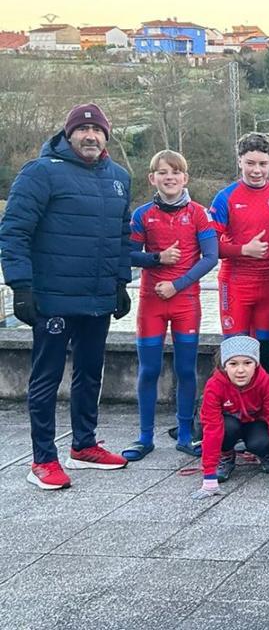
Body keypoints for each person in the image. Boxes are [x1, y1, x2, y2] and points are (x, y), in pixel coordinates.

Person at [1, 103, 132, 489]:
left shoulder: (119, 177)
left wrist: (121, 282)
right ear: (69, 133)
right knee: (46, 377)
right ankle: (43, 460)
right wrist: (21, 286)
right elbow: (14, 231)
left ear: (106, 137)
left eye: (98, 131)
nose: (90, 136)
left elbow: (122, 237)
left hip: (97, 298)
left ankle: (84, 445)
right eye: (83, 130)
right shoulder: (40, 173)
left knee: (91, 373)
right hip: (53, 298)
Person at [122, 149, 218, 461]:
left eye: (175, 172)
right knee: (148, 369)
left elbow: (211, 257)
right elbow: (128, 254)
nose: (170, 177)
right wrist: (158, 259)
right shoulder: (142, 214)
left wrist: (177, 284)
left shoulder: (199, 214)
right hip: (151, 301)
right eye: (163, 173)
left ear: (185, 178)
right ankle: (144, 437)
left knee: (185, 369)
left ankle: (186, 435)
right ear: (153, 178)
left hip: (185, 301)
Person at [209, 132, 269, 370]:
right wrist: (244, 250)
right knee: (236, 352)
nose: (256, 170)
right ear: (239, 161)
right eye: (250, 163)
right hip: (235, 282)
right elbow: (209, 248)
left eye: (262, 164)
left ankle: (262, 406)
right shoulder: (225, 198)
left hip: (268, 282)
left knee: (263, 350)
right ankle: (232, 407)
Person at [193, 335, 269, 498]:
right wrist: (209, 477)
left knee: (262, 442)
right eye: (233, 364)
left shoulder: (266, 382)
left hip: (255, 423)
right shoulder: (214, 386)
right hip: (230, 423)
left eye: (247, 363)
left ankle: (264, 454)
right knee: (225, 429)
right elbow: (211, 430)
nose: (240, 370)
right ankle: (226, 456)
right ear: (225, 366)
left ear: (256, 364)